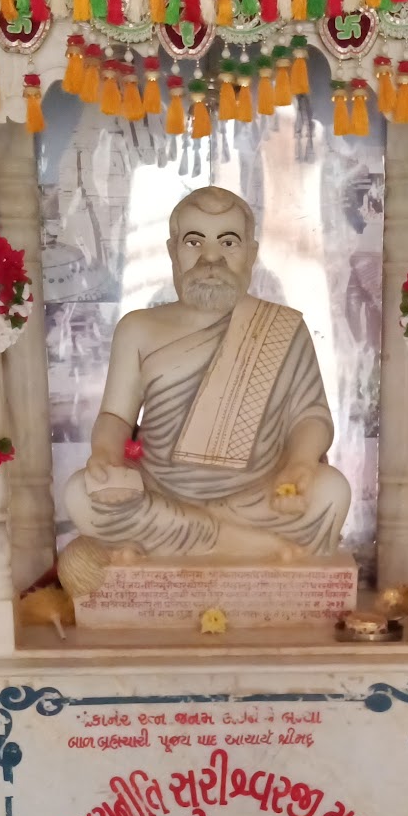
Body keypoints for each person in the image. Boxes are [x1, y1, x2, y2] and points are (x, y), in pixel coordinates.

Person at [62, 185, 350, 565]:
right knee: (81, 493)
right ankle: (252, 546)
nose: (210, 257)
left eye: (228, 243)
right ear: (172, 251)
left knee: (332, 491)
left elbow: (310, 416)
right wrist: (105, 455)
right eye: (194, 242)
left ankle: (191, 537)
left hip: (257, 496)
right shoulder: (138, 328)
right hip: (161, 489)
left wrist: (299, 464)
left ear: (252, 252)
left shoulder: (282, 328)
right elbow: (116, 417)